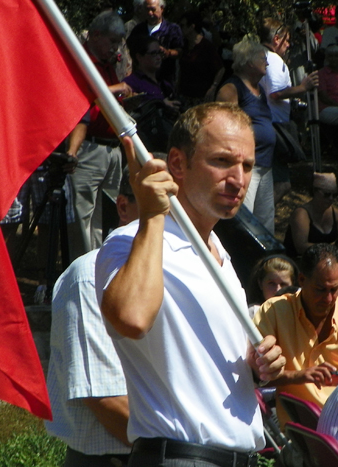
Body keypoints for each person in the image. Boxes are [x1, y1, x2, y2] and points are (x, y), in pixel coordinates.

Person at [96, 102, 286, 467]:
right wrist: (152, 216)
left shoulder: (221, 254)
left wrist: (257, 368)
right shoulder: (129, 241)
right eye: (222, 161)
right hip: (182, 457)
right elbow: (131, 318)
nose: (239, 179)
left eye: (247, 165)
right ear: (178, 164)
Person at [45, 167, 138, 467]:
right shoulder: (89, 278)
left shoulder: (185, 276)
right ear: (123, 206)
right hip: (111, 458)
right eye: (160, 205)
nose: (174, 218)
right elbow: (106, 400)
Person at [66, 11, 132, 261]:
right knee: (82, 215)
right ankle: (84, 269)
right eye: (111, 41)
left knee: (109, 214)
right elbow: (82, 96)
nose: (115, 48)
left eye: (118, 42)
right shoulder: (80, 60)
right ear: (95, 35)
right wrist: (116, 88)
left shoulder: (108, 65)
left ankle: (105, 264)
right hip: (88, 149)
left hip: (111, 148)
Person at [254, 243, 338, 430]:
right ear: (301, 280)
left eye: (334, 290)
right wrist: (298, 376)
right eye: (320, 290)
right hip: (296, 434)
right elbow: (253, 375)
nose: (329, 299)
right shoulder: (274, 311)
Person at [217, 40, 276, 233]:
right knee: (243, 223)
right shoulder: (232, 89)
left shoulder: (259, 91)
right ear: (249, 62)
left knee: (265, 225)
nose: (266, 63)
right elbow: (225, 129)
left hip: (265, 166)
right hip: (245, 169)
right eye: (262, 58)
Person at [259, 18, 319, 205]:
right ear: (276, 39)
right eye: (286, 40)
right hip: (274, 126)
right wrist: (303, 87)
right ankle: (260, 221)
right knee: (282, 184)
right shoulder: (274, 59)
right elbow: (276, 94)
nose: (289, 44)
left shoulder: (261, 56)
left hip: (267, 124)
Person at [127, 0, 183, 85]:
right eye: (147, 9)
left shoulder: (172, 29)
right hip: (142, 80)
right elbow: (129, 50)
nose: (150, 13)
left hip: (165, 80)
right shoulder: (138, 30)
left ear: (162, 8)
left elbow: (180, 51)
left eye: (153, 9)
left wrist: (168, 52)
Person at [284, 172, 338, 258]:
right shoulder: (301, 214)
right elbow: (301, 247)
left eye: (334, 195)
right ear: (315, 192)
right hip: (300, 261)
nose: (331, 199)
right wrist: (330, 249)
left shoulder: (335, 213)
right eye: (326, 194)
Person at [177, 10, 225, 108]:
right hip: (184, 95)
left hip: (200, 97)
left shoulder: (206, 46)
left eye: (182, 26)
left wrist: (213, 87)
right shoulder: (184, 44)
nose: (180, 28)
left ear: (192, 27)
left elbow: (220, 69)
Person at [318, 45, 338, 126]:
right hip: (327, 108)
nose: (333, 59)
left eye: (336, 56)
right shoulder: (321, 73)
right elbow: (324, 97)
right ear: (326, 58)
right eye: (330, 56)